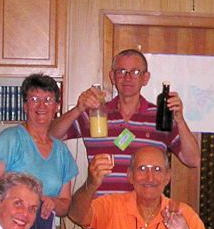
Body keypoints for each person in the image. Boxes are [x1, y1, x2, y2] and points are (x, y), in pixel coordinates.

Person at [50, 48, 200, 196]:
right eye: (121, 71)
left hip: (145, 208)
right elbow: (50, 136)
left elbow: (193, 160)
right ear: (112, 77)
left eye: (135, 72)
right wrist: (78, 109)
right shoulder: (94, 113)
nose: (127, 78)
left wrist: (180, 120)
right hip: (101, 208)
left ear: (145, 78)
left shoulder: (159, 116)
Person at [68, 146, 214, 229]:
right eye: (142, 169)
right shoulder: (111, 206)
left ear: (167, 177)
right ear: (130, 176)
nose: (150, 178)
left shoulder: (182, 213)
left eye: (157, 170)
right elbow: (76, 215)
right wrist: (91, 184)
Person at [0, 73, 78, 229]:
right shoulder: (10, 139)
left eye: (48, 100)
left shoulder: (61, 151)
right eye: (34, 99)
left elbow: (65, 204)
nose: (41, 106)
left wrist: (53, 202)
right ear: (25, 106)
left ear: (57, 106)